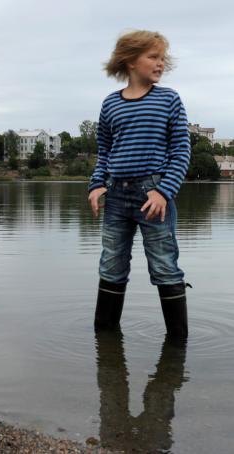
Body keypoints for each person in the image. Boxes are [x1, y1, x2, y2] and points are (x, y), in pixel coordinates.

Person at [88, 31, 190, 338]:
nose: (160, 64)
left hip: (153, 193)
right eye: (153, 57)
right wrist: (96, 185)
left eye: (162, 58)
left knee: (163, 265)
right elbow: (104, 151)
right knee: (111, 264)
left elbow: (181, 151)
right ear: (131, 61)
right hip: (116, 194)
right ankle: (104, 342)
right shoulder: (110, 104)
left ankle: (177, 344)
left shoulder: (169, 99)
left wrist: (163, 191)